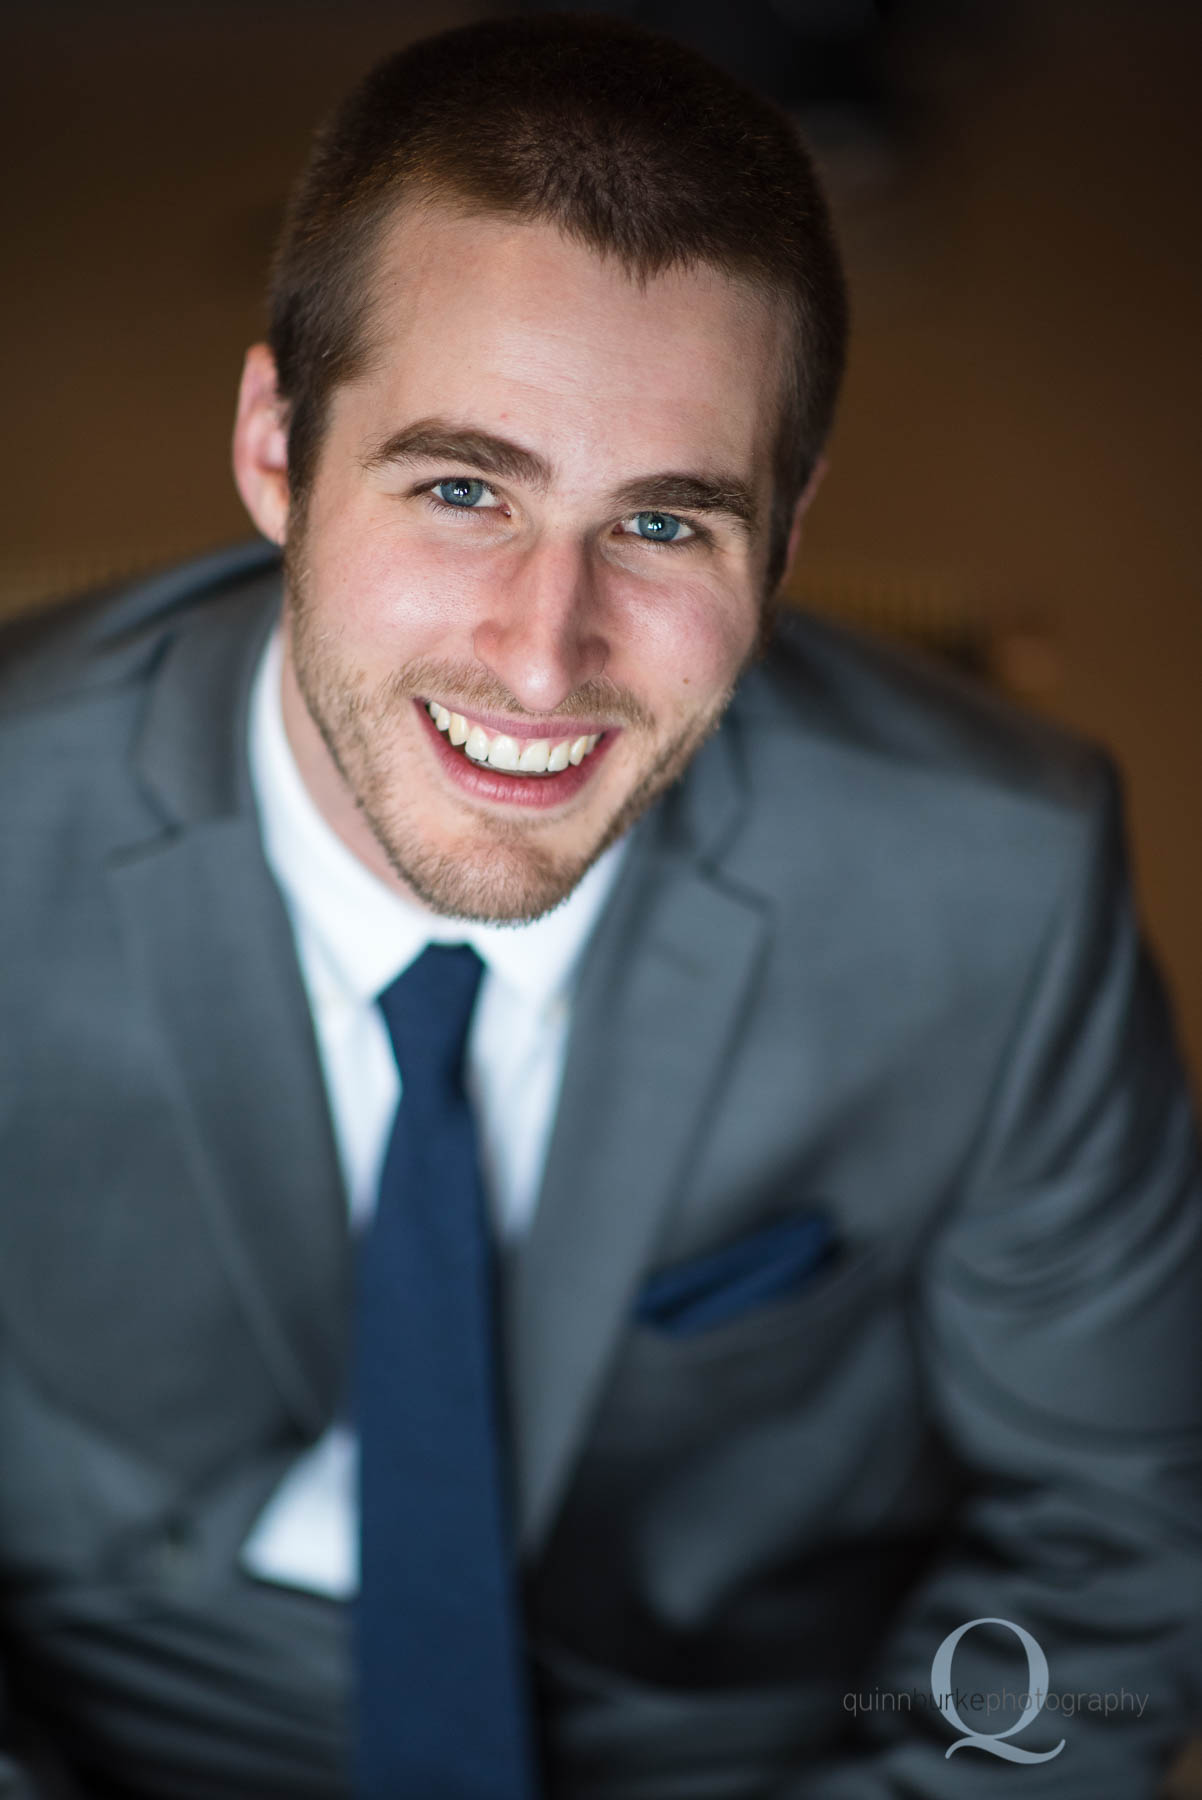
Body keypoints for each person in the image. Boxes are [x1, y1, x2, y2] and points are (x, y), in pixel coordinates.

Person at [2, 13, 1200, 1798]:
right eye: (462, 487)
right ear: (274, 448)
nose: (543, 654)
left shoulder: (998, 883)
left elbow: (1120, 1552)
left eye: (662, 526)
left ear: (785, 536)